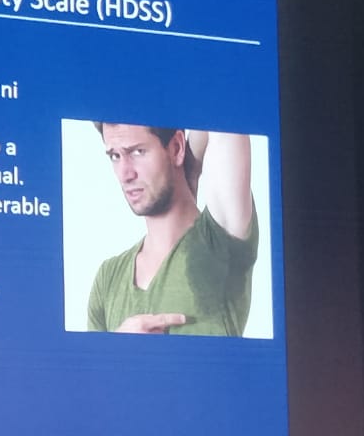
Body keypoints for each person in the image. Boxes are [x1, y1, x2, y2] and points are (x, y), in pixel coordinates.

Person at [86, 124, 259, 336]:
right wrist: (121, 347)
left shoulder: (218, 240)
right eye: (115, 156)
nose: (125, 174)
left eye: (138, 152)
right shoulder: (108, 278)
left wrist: (190, 166)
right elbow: (82, 360)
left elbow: (226, 114)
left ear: (177, 147)